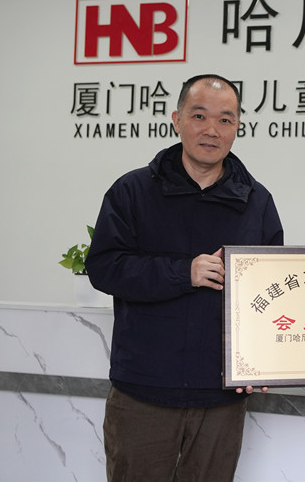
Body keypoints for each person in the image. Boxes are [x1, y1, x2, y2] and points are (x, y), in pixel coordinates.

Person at [87, 74, 283, 482]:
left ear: (238, 126)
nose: (212, 130)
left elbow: (270, 292)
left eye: (225, 119)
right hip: (144, 389)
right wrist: (183, 272)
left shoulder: (256, 201)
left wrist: (262, 362)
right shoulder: (133, 191)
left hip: (221, 396)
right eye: (199, 116)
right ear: (177, 119)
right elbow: (104, 267)